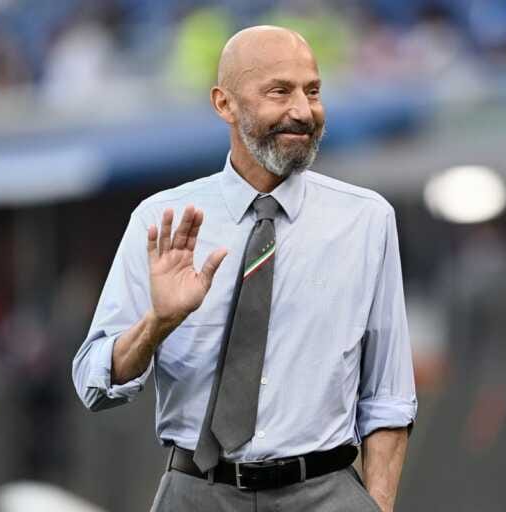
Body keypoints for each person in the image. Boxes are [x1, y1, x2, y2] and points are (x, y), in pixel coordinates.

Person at [72, 25, 416, 512]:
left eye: (313, 91)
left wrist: (375, 506)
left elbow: (389, 397)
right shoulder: (160, 221)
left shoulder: (368, 220)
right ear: (224, 103)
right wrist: (157, 324)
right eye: (280, 91)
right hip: (195, 494)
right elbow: (93, 383)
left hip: (327, 493)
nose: (303, 111)